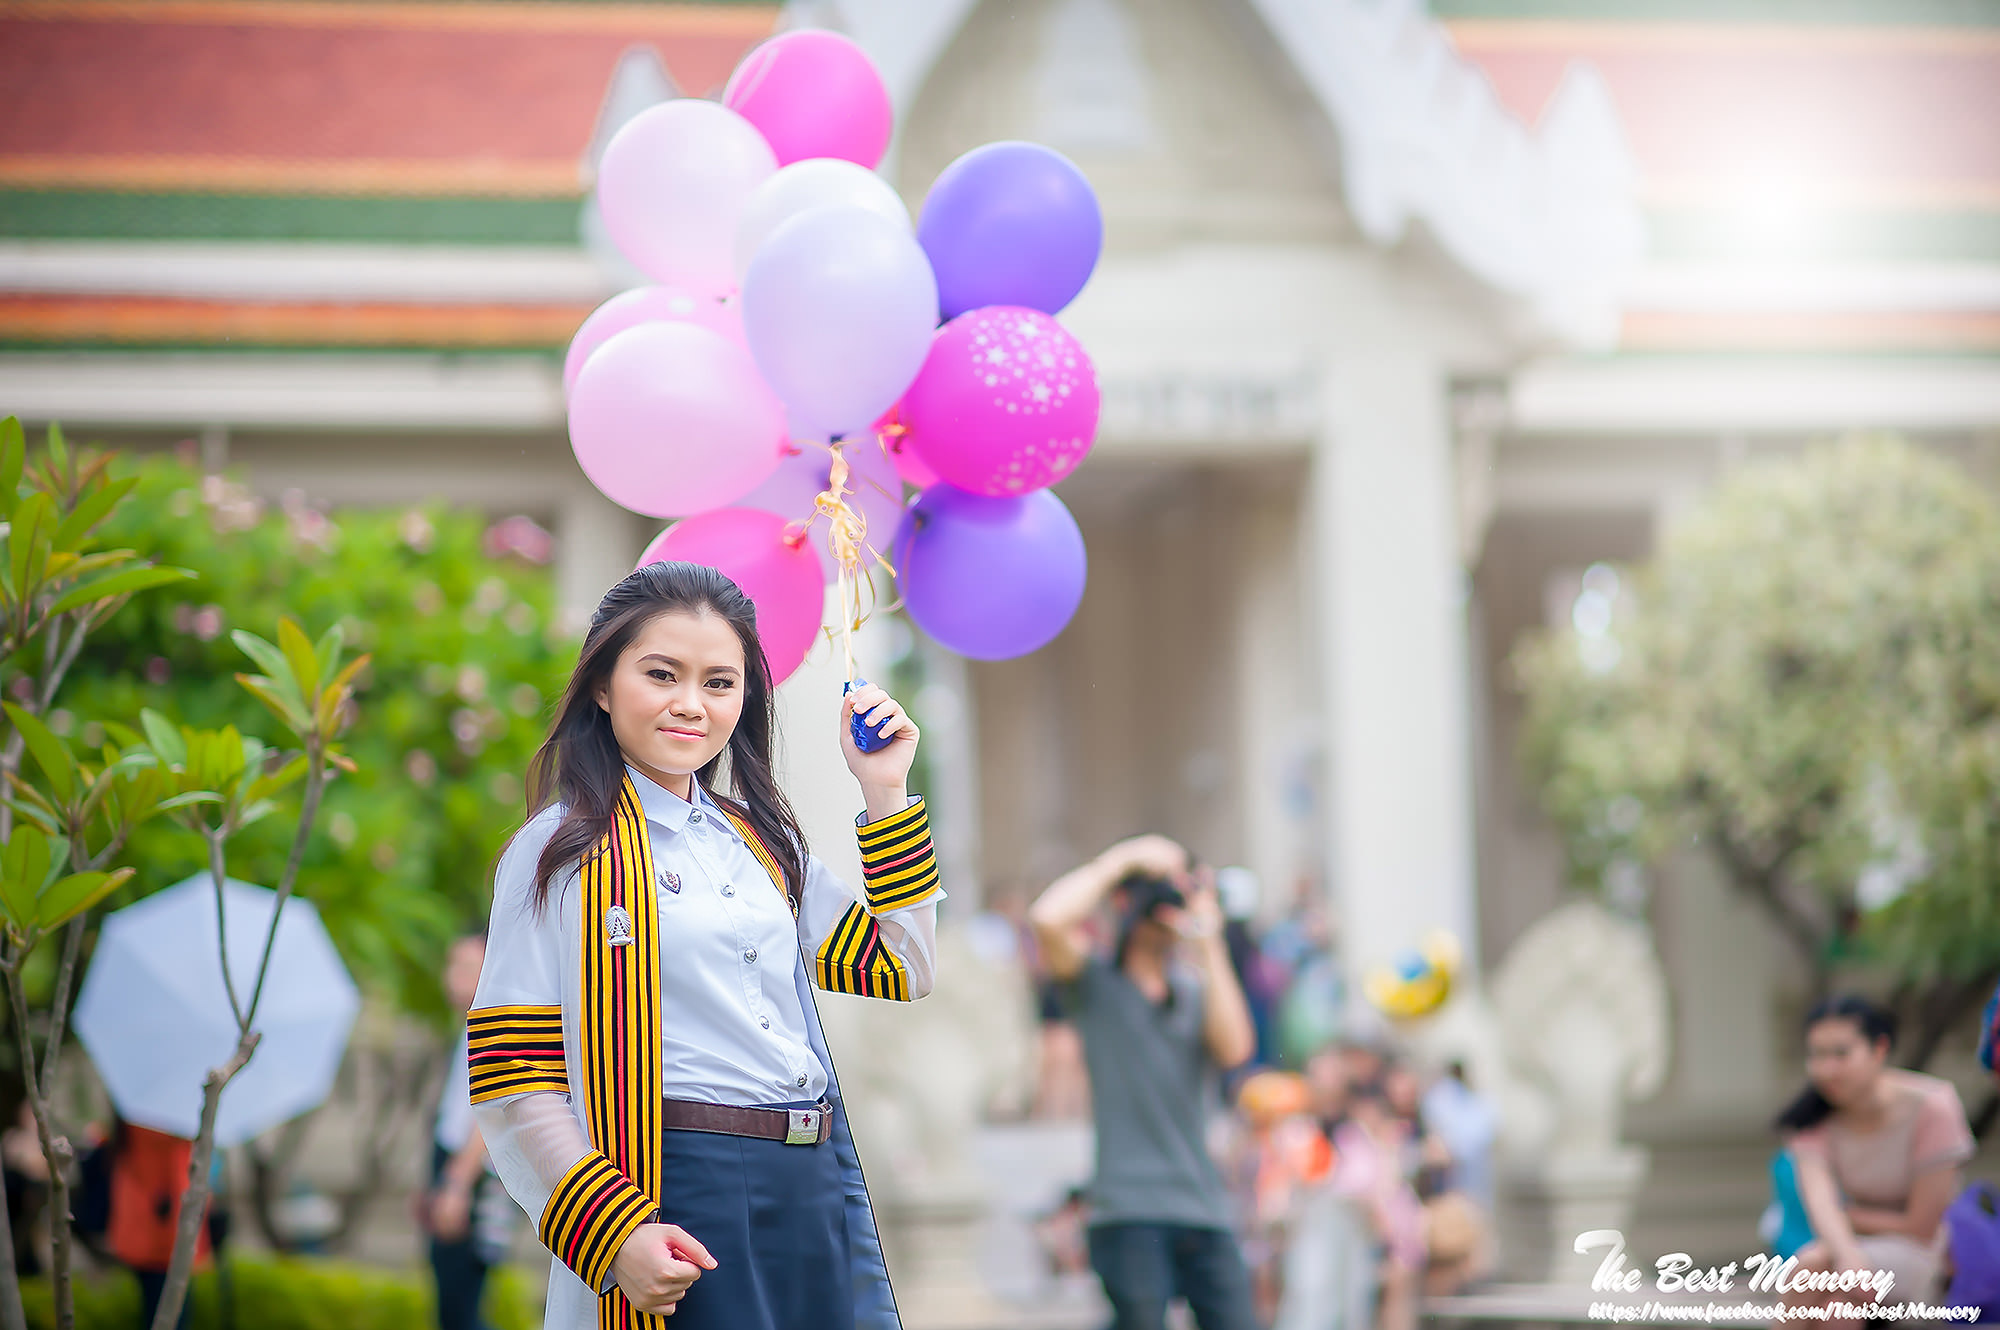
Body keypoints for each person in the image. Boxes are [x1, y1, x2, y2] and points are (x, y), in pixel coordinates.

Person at [468, 561, 941, 1330]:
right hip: (677, 1182)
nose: (691, 704)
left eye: (720, 683)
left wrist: (886, 792)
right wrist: (613, 1236)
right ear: (601, 685)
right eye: (662, 674)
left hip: (812, 1178)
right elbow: (513, 1069)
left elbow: (904, 967)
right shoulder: (561, 849)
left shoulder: (761, 842)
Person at [1028, 833, 1259, 1330]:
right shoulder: (1095, 983)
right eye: (1160, 891)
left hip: (1203, 1204)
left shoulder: (1196, 992)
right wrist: (1125, 859)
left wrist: (1208, 936)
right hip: (1127, 1209)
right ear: (1127, 901)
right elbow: (1047, 919)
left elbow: (1236, 1049)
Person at [1775, 993, 1974, 1305]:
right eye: (1817, 1054)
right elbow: (1821, 1206)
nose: (1827, 1069)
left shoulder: (1931, 1107)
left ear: (1879, 1048)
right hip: (1850, 1248)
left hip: (1924, 1255)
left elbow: (1921, 1226)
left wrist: (1851, 1218)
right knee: (1837, 1304)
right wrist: (1849, 1257)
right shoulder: (1812, 1118)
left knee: (1812, 1266)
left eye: (1841, 1054)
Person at [424, 930, 509, 1330]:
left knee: (461, 1306)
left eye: (465, 968)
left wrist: (456, 1186)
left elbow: (488, 1115)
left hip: (472, 1174)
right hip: (455, 1166)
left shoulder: (495, 1026)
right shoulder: (470, 1024)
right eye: (451, 965)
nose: (451, 977)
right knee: (450, 1298)